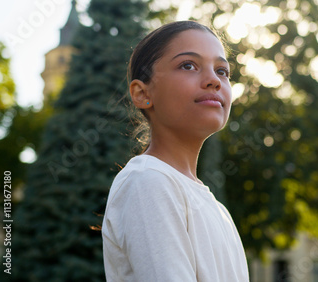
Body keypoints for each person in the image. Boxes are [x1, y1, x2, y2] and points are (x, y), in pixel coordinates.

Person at [102, 21, 249, 281]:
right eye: (188, 65)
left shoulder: (218, 210)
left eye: (222, 71)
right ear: (142, 93)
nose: (214, 80)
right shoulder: (147, 182)